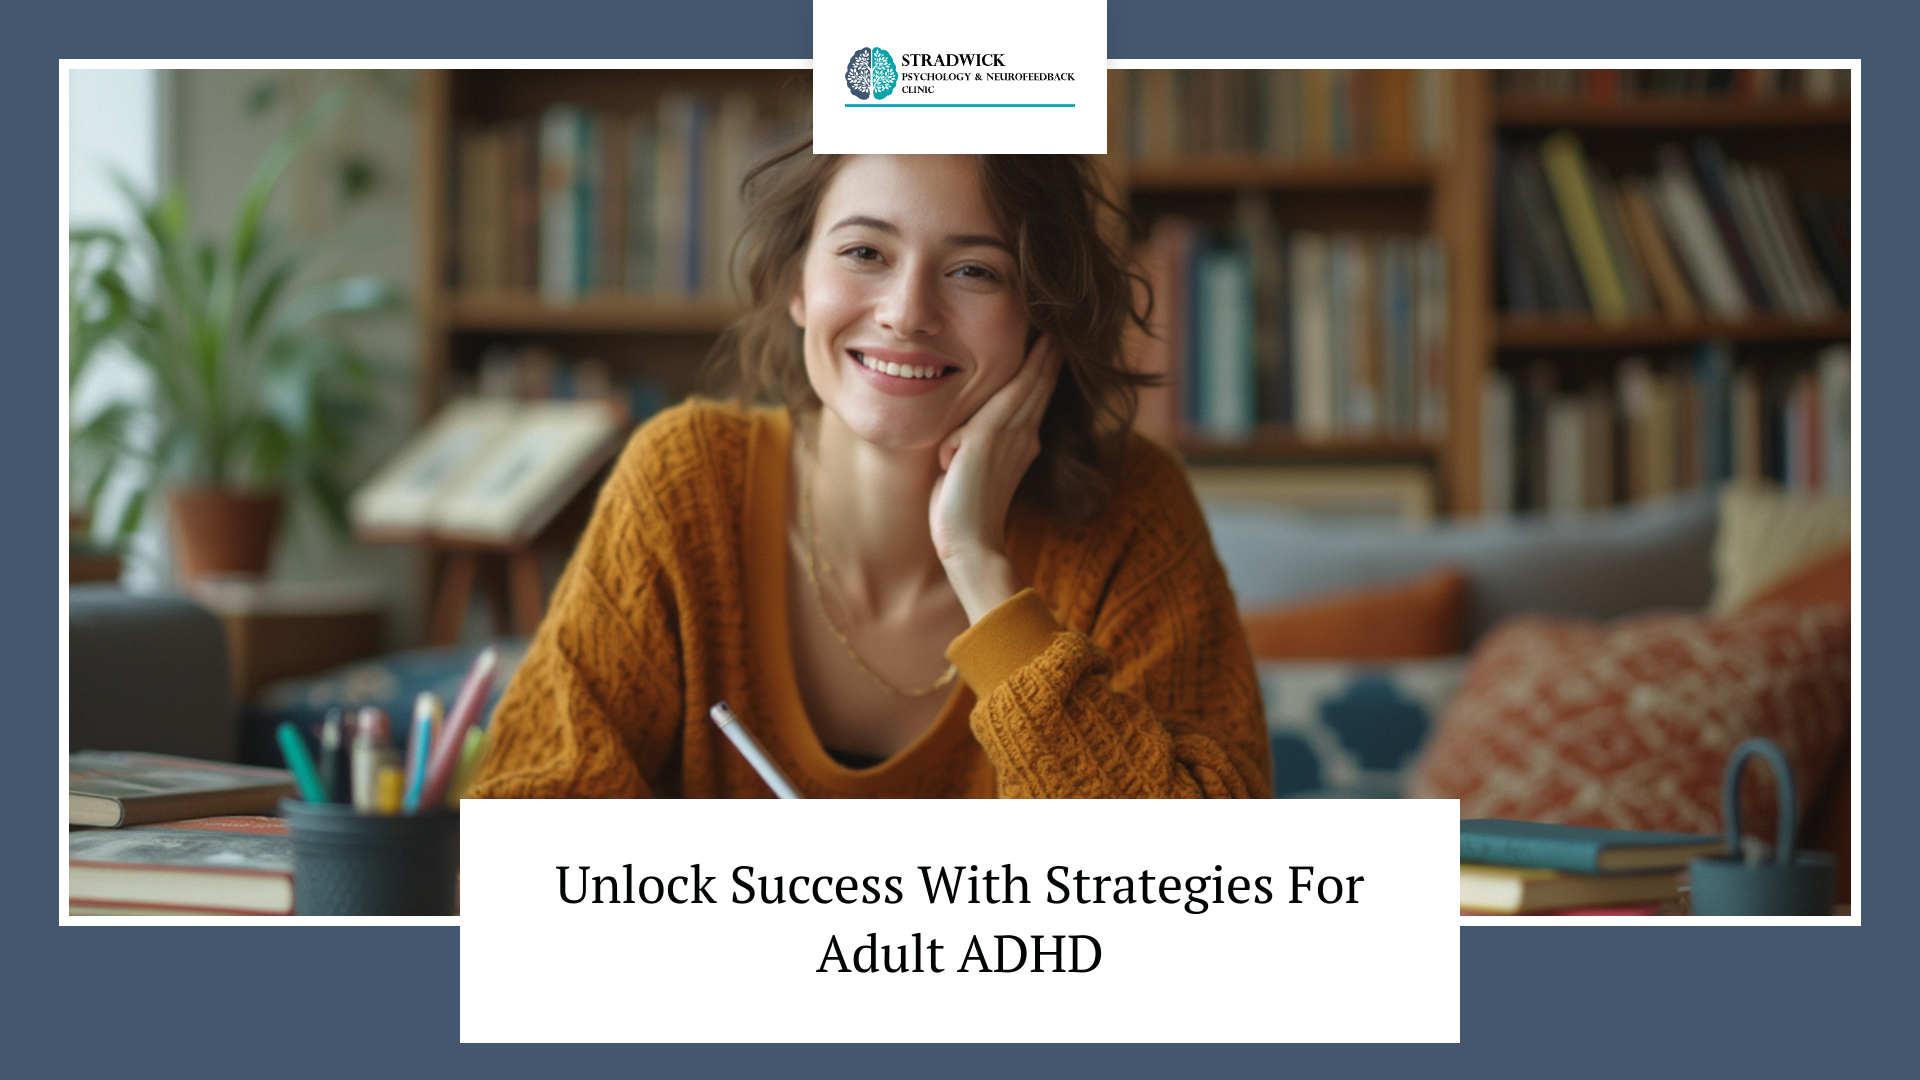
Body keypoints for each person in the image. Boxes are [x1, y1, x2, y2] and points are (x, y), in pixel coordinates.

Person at [467, 146, 1270, 799]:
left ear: (1043, 313)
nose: (906, 311)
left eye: (974, 271)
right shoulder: (686, 482)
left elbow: (1196, 896)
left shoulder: (1132, 512)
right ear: (797, 284)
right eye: (863, 253)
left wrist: (982, 573)